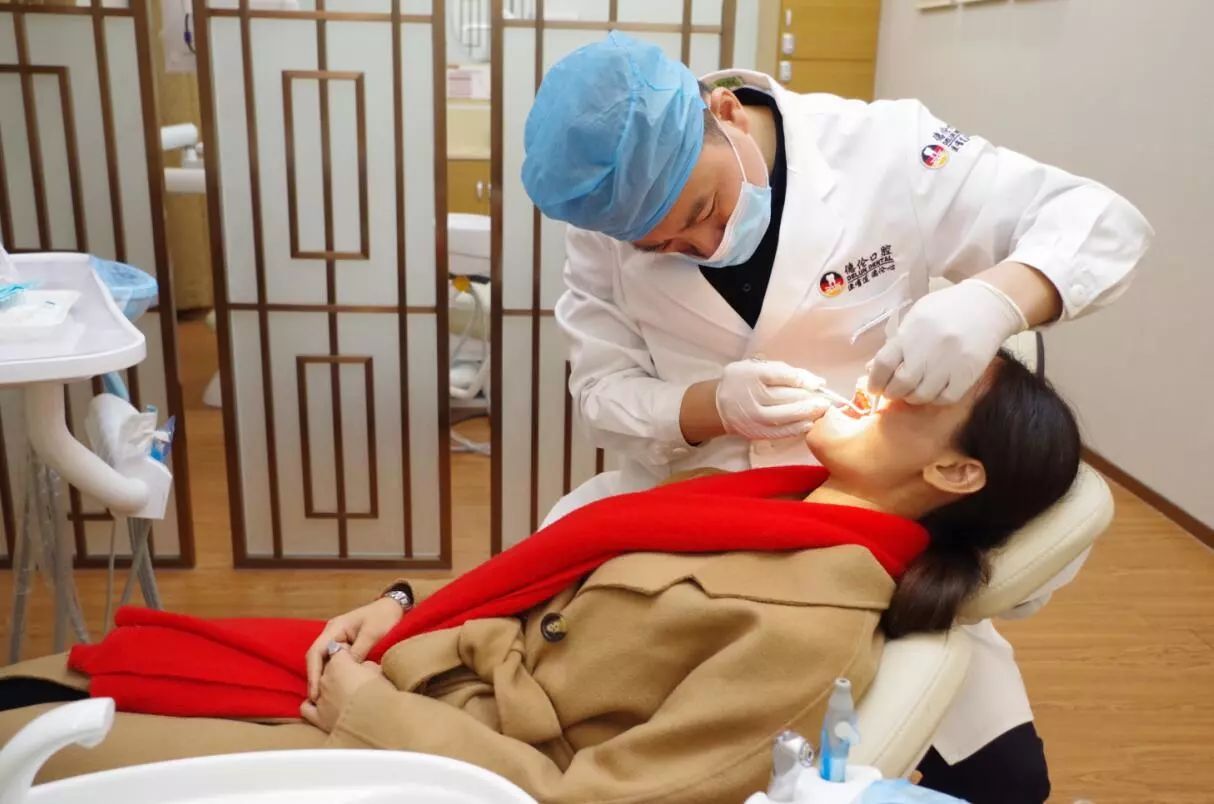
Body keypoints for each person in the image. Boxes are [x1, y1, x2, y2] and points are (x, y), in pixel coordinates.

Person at [0, 354, 1078, 803]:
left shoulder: (814, 629)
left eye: (926, 386)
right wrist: (401, 605)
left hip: (424, 751)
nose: (886, 375)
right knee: (52, 677)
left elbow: (590, 800)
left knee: (34, 745)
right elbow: (546, 571)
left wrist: (370, 706)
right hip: (406, 669)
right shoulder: (764, 500)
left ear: (955, 472)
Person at [521, 32, 1153, 792]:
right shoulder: (602, 225)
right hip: (695, 518)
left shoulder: (884, 150)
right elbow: (602, 396)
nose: (702, 245)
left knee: (1005, 779)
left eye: (706, 208)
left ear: (726, 111)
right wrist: (711, 407)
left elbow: (1102, 221)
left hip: (870, 527)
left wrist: (1000, 298)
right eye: (662, 248)